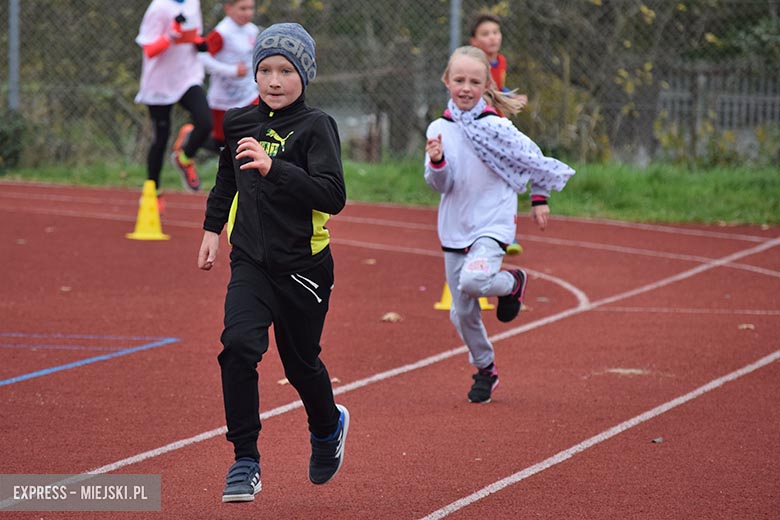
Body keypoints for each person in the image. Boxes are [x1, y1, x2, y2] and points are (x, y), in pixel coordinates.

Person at [197, 23, 349, 503]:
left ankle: (327, 428)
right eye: (265, 69)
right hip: (251, 263)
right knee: (238, 345)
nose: (274, 80)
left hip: (304, 267)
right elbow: (226, 178)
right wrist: (211, 229)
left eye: (286, 70)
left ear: (305, 74)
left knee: (302, 364)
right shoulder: (240, 122)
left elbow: (333, 195)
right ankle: (245, 460)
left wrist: (274, 167)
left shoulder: (316, 126)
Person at [424, 46, 574, 404]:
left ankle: (511, 283)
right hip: (454, 227)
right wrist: (438, 161)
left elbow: (533, 161)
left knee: (475, 280)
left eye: (474, 81)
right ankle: (485, 369)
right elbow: (439, 184)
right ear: (447, 81)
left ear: (486, 85)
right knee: (462, 314)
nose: (465, 87)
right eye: (458, 80)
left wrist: (539, 199)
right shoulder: (438, 128)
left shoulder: (498, 126)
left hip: (492, 223)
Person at [134, 0, 213, 203]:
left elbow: (194, 33)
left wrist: (199, 42)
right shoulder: (158, 8)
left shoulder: (193, 3)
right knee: (160, 139)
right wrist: (169, 36)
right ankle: (154, 192)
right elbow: (149, 49)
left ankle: (184, 157)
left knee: (205, 121)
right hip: (160, 81)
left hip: (187, 77)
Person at [468, 10, 528, 255]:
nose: (492, 38)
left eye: (495, 32)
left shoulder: (500, 61)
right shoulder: (473, 64)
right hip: (478, 129)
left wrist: (510, 97)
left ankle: (504, 234)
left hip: (498, 129)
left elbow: (498, 89)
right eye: (485, 34)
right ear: (474, 41)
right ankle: (476, 231)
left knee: (506, 179)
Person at [196, 0, 261, 153]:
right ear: (228, 9)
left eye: (251, 8)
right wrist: (231, 70)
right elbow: (202, 58)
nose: (248, 13)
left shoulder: (252, 30)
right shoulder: (222, 32)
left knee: (257, 134)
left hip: (249, 94)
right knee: (221, 144)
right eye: (242, 8)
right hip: (223, 99)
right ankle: (190, 135)